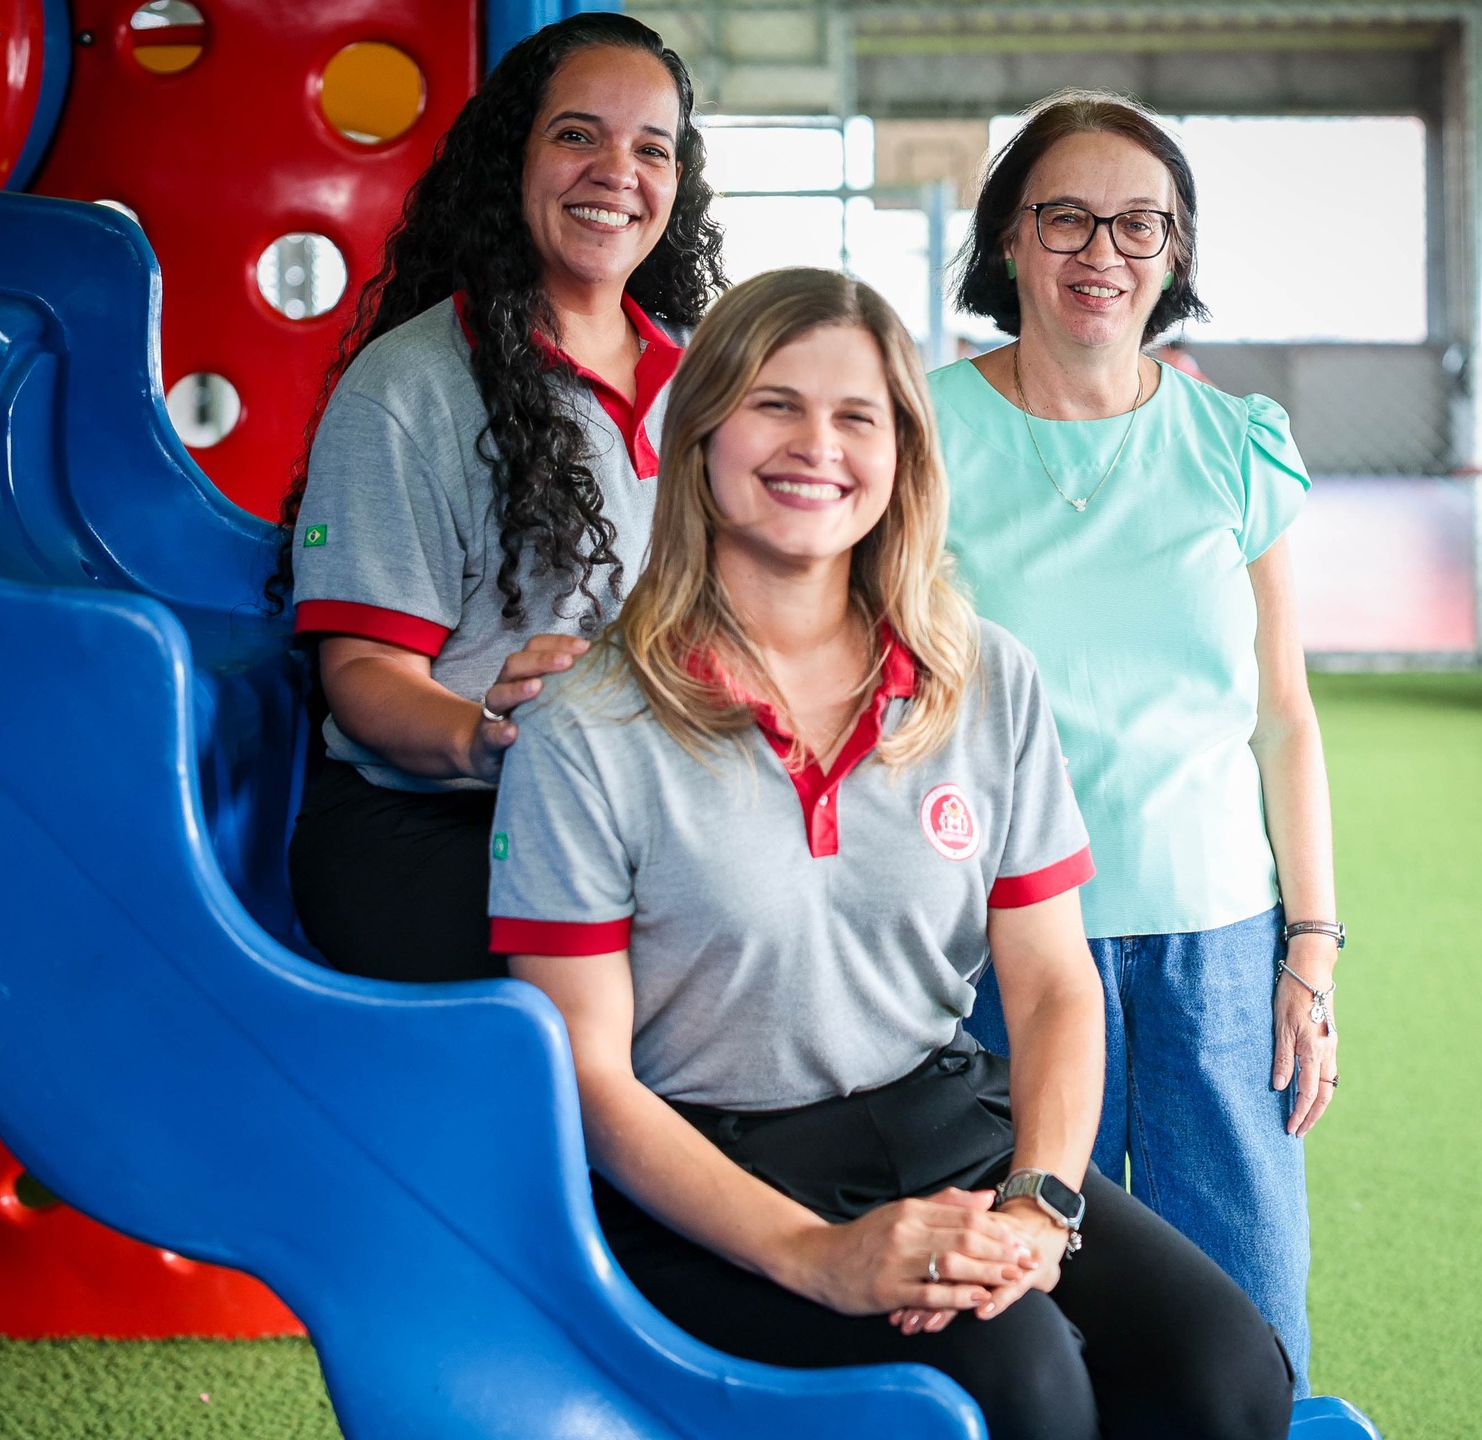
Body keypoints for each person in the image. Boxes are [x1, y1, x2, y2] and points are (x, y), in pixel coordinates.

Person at [488, 267, 1294, 1440]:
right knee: (1028, 1388)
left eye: (858, 416)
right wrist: (816, 1257)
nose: (817, 444)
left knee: (1227, 1376)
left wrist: (1039, 1201)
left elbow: (1055, 981)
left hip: (942, 1119)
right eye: (775, 403)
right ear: (702, 429)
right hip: (703, 1170)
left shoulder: (984, 678)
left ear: (904, 456)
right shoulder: (588, 726)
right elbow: (591, 1078)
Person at [930, 91, 1341, 1394]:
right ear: (1009, 240)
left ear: (1174, 256)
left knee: (1245, 1332)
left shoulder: (1237, 444)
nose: (1103, 250)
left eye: (1139, 224)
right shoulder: (918, 431)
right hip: (996, 934)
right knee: (1019, 1331)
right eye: (1067, 217)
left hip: (1214, 942)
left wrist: (1311, 950)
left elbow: (1286, 713)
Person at [277, 13, 724, 982]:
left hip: (633, 811)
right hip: (436, 827)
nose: (617, 170)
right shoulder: (411, 386)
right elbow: (362, 677)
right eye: (577, 135)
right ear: (508, 159)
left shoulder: (703, 385)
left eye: (651, 147)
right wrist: (485, 739)